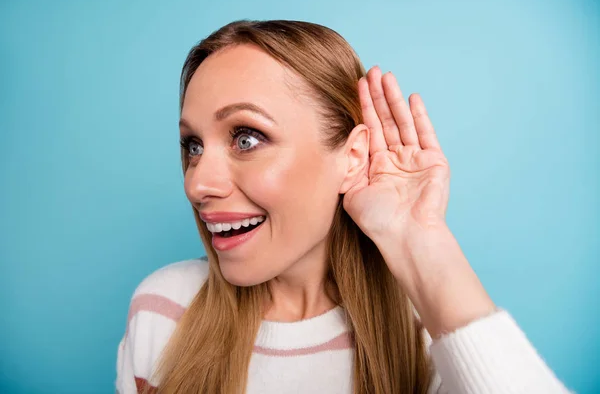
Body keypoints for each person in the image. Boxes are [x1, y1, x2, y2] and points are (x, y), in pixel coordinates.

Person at [116, 20, 571, 394]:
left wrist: (419, 239)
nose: (197, 183)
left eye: (246, 137)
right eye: (192, 145)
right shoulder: (163, 311)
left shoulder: (433, 337)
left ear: (352, 159)